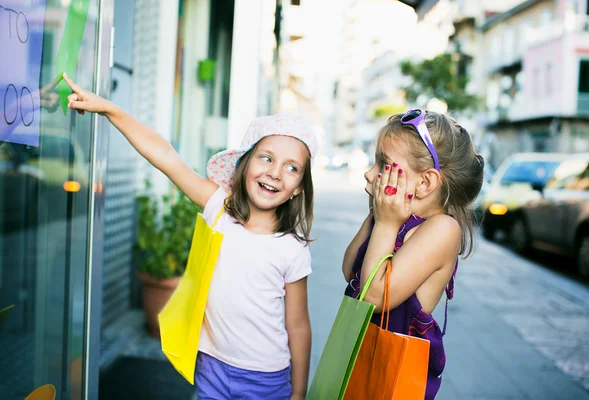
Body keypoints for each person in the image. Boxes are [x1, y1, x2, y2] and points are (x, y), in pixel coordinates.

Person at [61, 73, 315, 400]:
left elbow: (298, 326)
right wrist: (110, 110)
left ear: (297, 191)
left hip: (266, 379)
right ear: (243, 167)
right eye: (266, 157)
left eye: (292, 167)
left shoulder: (292, 249)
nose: (275, 172)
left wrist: (299, 393)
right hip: (210, 367)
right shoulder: (218, 209)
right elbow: (165, 156)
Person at [342, 109, 484, 399]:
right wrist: (377, 216)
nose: (369, 173)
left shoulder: (442, 229)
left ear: (424, 183)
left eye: (383, 163)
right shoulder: (389, 218)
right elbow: (349, 271)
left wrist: (385, 223)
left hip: (395, 371)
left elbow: (373, 296)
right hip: (359, 353)